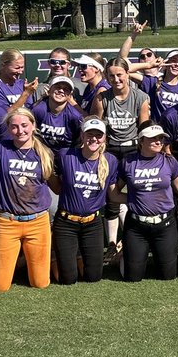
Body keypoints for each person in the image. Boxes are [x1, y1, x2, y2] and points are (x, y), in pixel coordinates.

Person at [0, 108, 55, 292]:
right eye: (14, 127)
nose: (20, 130)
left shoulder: (45, 152)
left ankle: (22, 259)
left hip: (38, 221)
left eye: (24, 125)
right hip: (7, 222)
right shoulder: (0, 148)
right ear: (9, 129)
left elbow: (54, 183)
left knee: (40, 283)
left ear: (33, 126)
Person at [93, 57, 151, 262]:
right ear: (106, 76)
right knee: (111, 196)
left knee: (135, 193)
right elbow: (97, 126)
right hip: (110, 152)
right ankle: (111, 243)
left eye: (120, 75)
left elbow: (144, 128)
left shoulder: (140, 97)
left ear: (127, 74)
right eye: (112, 75)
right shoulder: (102, 97)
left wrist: (144, 156)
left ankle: (131, 240)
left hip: (132, 151)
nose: (116, 79)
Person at [51, 117, 118, 285]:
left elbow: (114, 194)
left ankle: (79, 257)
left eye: (98, 135)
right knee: (68, 279)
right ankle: (55, 259)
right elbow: (56, 185)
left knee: (94, 276)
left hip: (92, 222)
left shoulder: (110, 160)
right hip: (66, 222)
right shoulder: (66, 155)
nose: (93, 139)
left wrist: (138, 198)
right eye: (89, 134)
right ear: (82, 135)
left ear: (104, 138)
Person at [112, 122, 178, 281]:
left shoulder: (170, 161)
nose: (158, 142)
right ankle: (125, 255)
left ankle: (165, 255)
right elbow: (115, 194)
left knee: (167, 276)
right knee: (133, 277)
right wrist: (135, 200)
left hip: (165, 224)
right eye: (153, 138)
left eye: (160, 138)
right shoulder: (128, 162)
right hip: (137, 226)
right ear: (141, 141)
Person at [32, 76, 83, 153]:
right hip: (41, 152)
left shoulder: (74, 116)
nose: (61, 91)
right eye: (57, 87)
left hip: (66, 154)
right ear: (49, 89)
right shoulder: (38, 110)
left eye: (66, 89)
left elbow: (79, 142)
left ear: (70, 94)